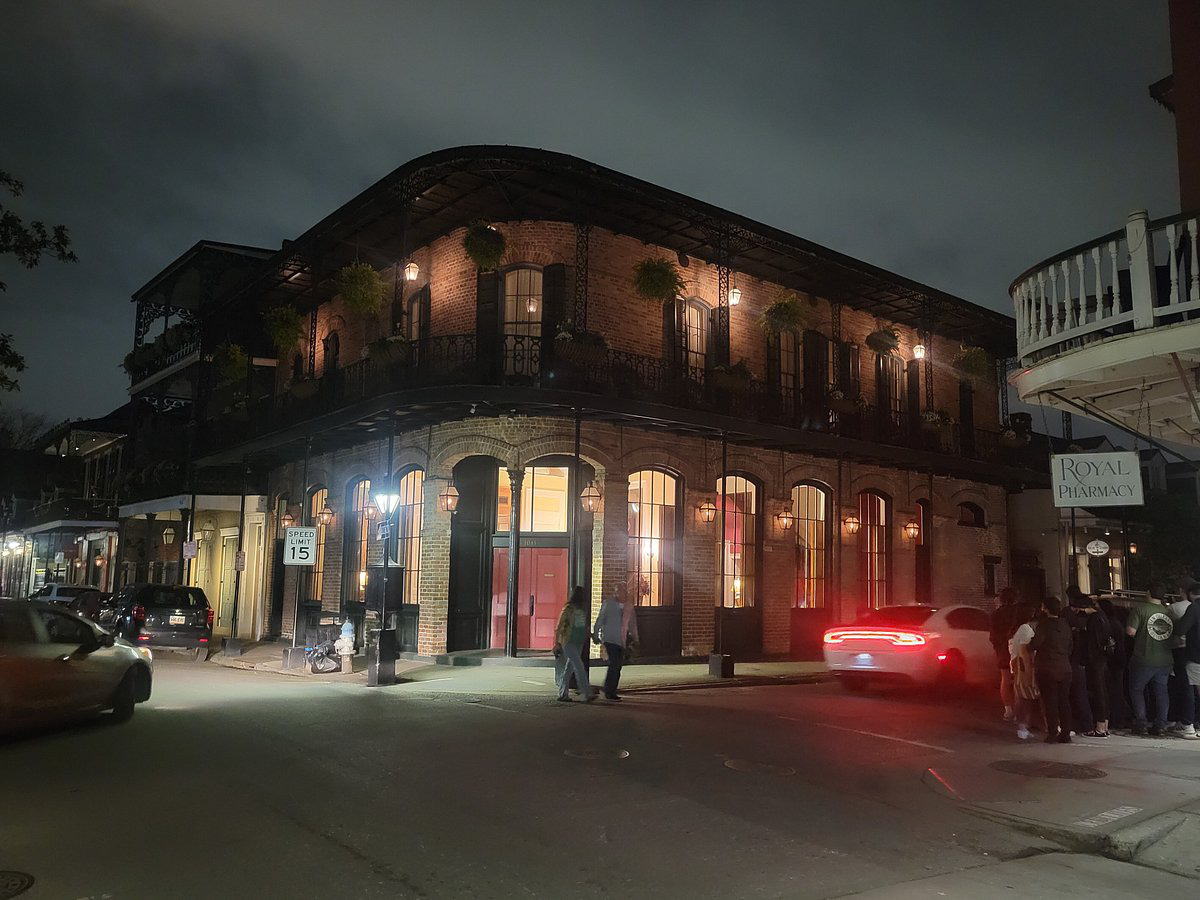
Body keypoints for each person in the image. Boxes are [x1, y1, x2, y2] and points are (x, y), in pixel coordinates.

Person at [1126, 579, 1175, 736]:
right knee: (1162, 691)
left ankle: (1141, 723)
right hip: (1165, 659)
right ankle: (1160, 725)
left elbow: (1130, 631)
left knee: (1137, 690)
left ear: (1148, 593)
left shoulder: (1140, 610)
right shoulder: (1170, 613)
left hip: (1143, 657)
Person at [1029, 595, 1073, 743]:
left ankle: (1053, 732)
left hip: (1047, 667)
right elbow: (1070, 646)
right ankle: (1066, 733)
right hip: (1065, 667)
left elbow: (1036, 644)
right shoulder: (1065, 624)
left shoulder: (1044, 624)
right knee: (1064, 701)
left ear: (1046, 608)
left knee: (1050, 701)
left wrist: (1029, 644)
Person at [592, 580, 640, 701]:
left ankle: (610, 689)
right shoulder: (608, 603)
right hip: (610, 637)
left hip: (622, 639)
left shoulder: (629, 606)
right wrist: (596, 633)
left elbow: (632, 623)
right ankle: (609, 690)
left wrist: (635, 638)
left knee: (618, 666)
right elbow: (600, 618)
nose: (620, 594)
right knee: (615, 663)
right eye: (618, 591)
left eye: (623, 591)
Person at [1081, 591, 1117, 738]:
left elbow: (1092, 643)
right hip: (1104, 660)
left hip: (1096, 661)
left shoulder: (1094, 619)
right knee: (1104, 692)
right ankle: (1105, 725)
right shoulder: (1103, 617)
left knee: (1098, 693)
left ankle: (1100, 727)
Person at [553, 586, 595, 703]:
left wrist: (591, 636)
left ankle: (563, 694)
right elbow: (559, 626)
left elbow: (583, 626)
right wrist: (557, 643)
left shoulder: (582, 609)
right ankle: (587, 693)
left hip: (578, 641)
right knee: (579, 666)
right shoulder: (568, 609)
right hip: (569, 641)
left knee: (569, 668)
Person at [1170, 582, 1200, 739]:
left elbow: (1181, 629)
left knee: (1189, 690)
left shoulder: (1194, 608)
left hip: (1195, 656)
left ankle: (1188, 725)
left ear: (1190, 594)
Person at [1063, 586, 1095, 733]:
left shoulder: (1074, 617)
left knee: (1077, 693)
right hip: (1091, 660)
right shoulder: (1094, 616)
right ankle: (1088, 724)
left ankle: (1083, 724)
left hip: (1077, 660)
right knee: (1086, 693)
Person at [989, 587, 1022, 721]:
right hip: (1018, 649)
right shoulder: (1018, 612)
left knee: (1005, 679)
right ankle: (1020, 710)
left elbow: (992, 636)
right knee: (1020, 681)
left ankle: (1008, 710)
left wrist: (999, 646)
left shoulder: (995, 614)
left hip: (1003, 650)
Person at [1099, 597, 1131, 730]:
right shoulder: (1117, 623)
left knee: (1115, 691)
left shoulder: (1110, 624)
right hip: (1120, 659)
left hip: (1115, 661)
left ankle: (1119, 718)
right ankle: (1121, 718)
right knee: (1117, 690)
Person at [1008, 602, 1040, 740]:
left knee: (1021, 696)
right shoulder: (1025, 629)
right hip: (1024, 668)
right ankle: (1023, 726)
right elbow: (1025, 651)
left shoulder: (1015, 629)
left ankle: (1022, 726)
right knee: (1026, 698)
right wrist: (1029, 670)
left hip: (1016, 666)